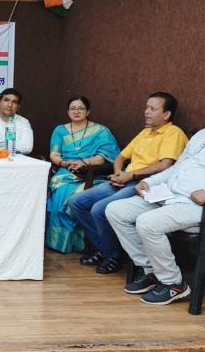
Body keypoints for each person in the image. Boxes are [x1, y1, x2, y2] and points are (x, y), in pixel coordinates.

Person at [107, 88, 205, 305]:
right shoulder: (203, 134)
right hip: (172, 198)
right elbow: (176, 169)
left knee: (147, 223)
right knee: (116, 210)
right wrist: (150, 182)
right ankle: (152, 270)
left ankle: (173, 283)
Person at [69, 92, 188, 274]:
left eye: (153, 109)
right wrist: (119, 173)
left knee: (99, 209)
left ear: (166, 114)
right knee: (76, 201)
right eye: (146, 108)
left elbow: (165, 165)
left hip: (144, 184)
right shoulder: (145, 132)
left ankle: (112, 256)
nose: (146, 112)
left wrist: (130, 175)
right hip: (125, 179)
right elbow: (120, 156)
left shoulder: (174, 133)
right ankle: (103, 248)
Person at [46, 95, 120, 253]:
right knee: (62, 191)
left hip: (93, 173)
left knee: (81, 195)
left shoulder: (101, 131)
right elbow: (54, 154)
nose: (76, 111)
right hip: (65, 172)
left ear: (88, 111)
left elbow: (106, 155)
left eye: (81, 108)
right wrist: (65, 163)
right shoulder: (60, 130)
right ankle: (61, 242)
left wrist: (84, 163)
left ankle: (82, 243)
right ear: (68, 111)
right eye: (72, 108)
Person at [0, 88, 33, 154]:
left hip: (17, 159)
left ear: (18, 107)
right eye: (6, 100)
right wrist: (16, 140)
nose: (10, 105)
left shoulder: (24, 122)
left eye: (14, 102)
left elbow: (27, 148)